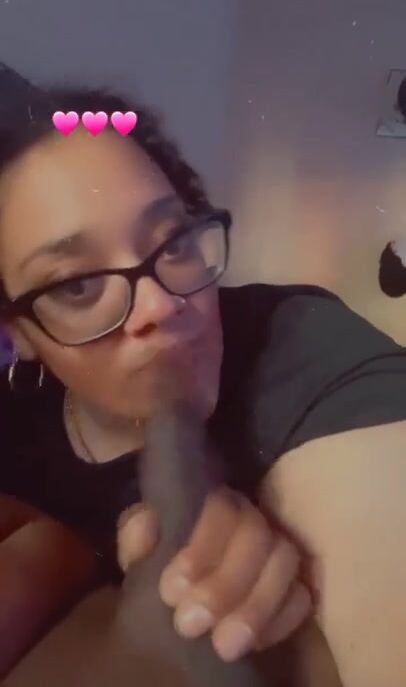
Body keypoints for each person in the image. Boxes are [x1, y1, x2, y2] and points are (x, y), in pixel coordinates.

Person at [1, 63, 406, 686]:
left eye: (174, 244)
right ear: (19, 333)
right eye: (78, 285)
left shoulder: (300, 344)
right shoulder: (15, 432)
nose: (163, 304)